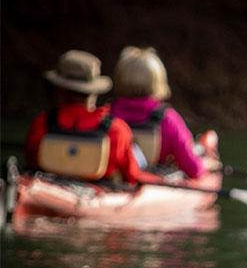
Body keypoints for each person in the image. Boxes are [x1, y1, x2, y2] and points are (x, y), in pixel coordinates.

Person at [24, 50, 143, 185]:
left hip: (47, 197)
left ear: (59, 90)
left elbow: (31, 162)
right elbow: (131, 176)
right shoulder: (117, 130)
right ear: (94, 91)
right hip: (100, 201)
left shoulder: (41, 123)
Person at [108, 47, 206, 178]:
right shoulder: (168, 118)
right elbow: (194, 169)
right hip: (151, 183)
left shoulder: (106, 114)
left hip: (114, 182)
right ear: (158, 80)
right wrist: (207, 164)